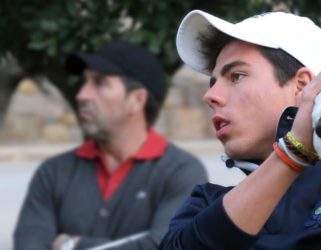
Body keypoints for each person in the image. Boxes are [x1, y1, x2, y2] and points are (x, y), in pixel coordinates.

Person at [160, 10, 321, 249]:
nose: (210, 96)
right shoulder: (207, 203)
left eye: (237, 76)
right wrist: (293, 153)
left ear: (303, 86)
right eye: (213, 83)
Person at [13, 40, 208, 250]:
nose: (81, 95)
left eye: (99, 83)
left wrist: (72, 245)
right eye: (84, 82)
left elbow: (166, 245)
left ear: (137, 100)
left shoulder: (181, 171)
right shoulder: (53, 172)